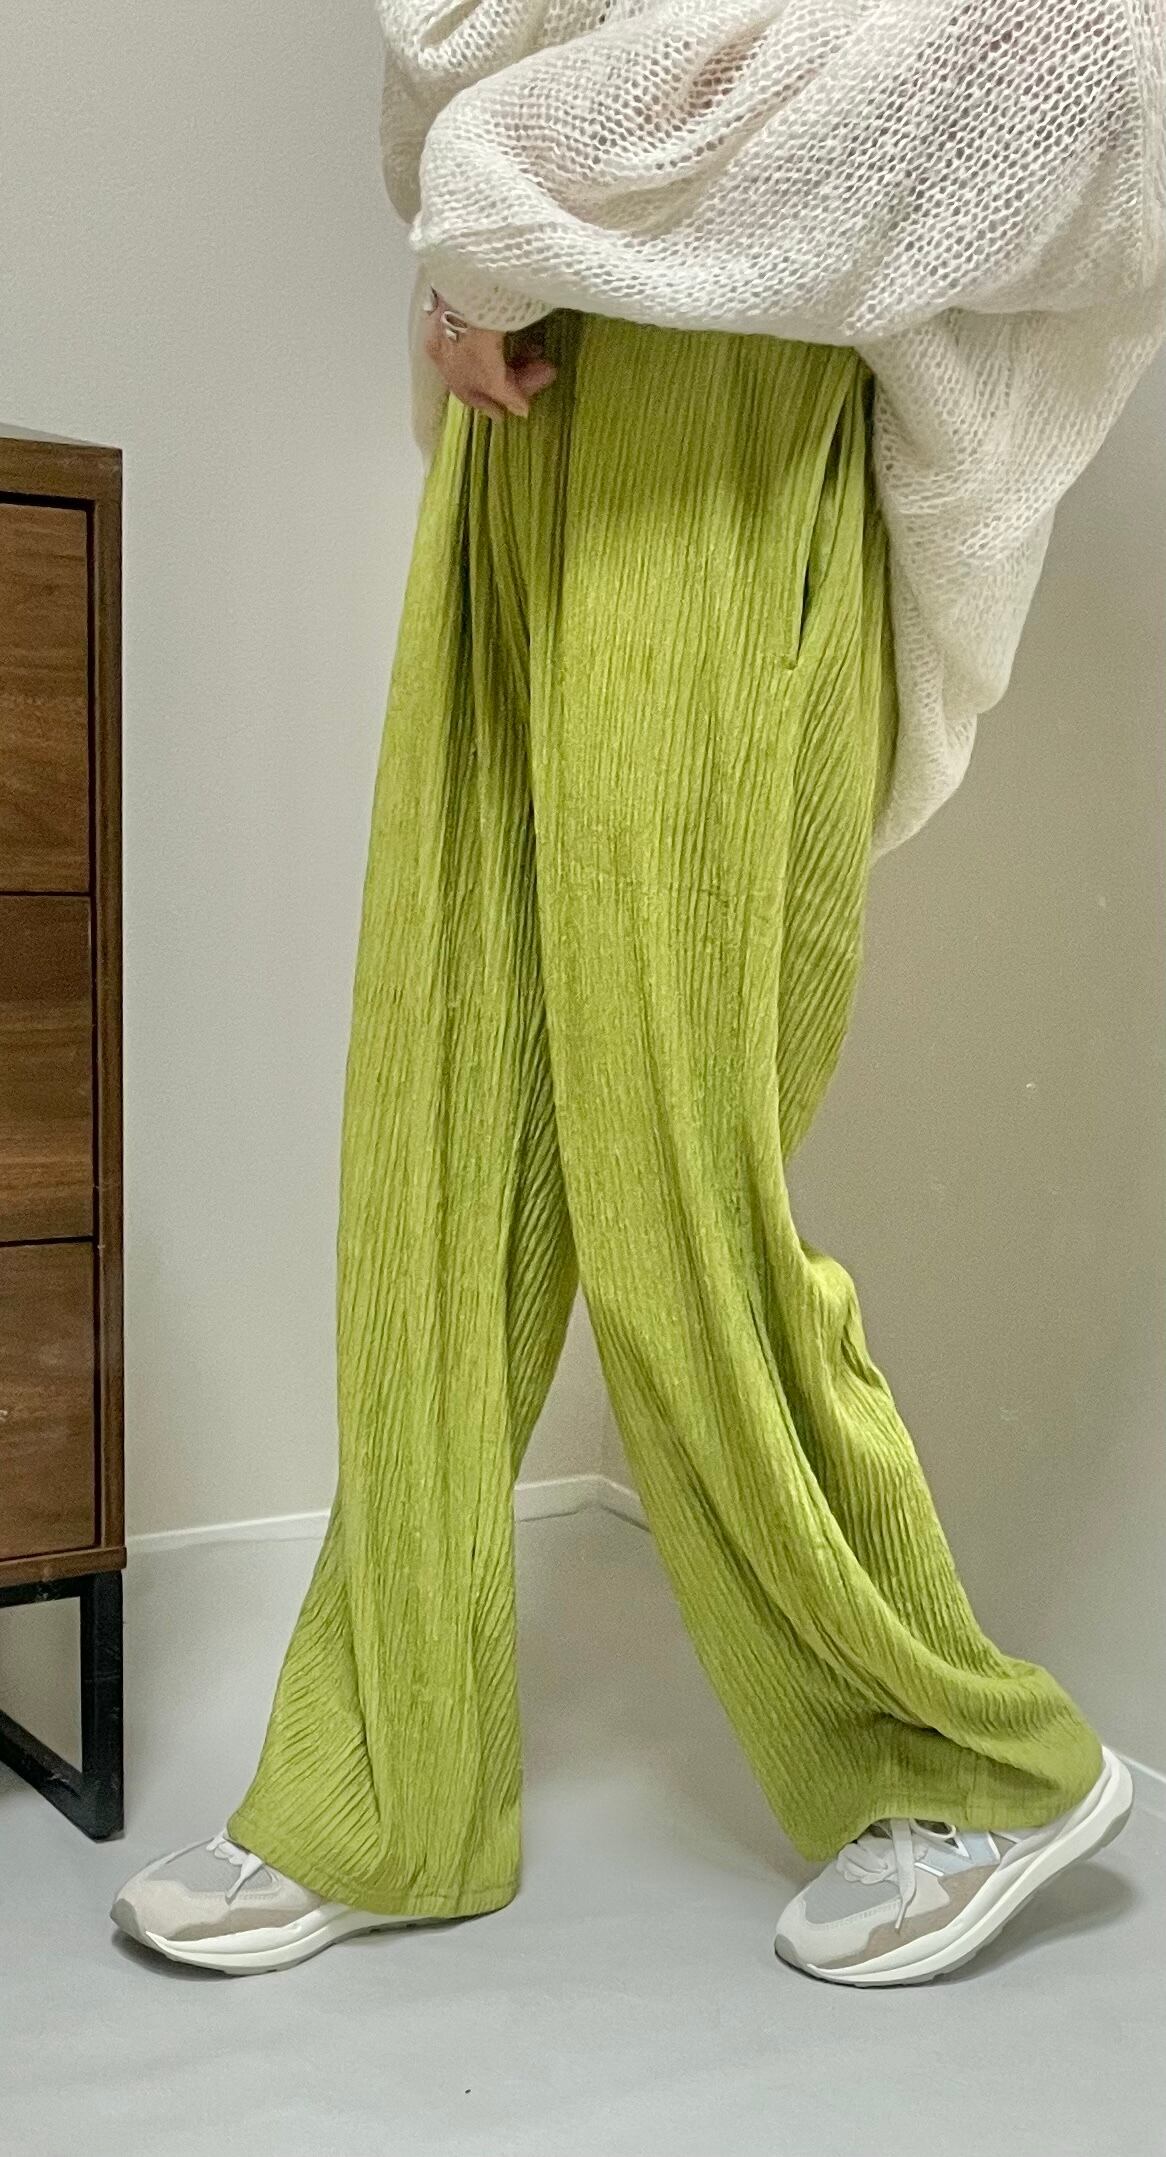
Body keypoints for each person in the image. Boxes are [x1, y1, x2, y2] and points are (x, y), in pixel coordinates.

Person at [113, 0, 1163, 1986]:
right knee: (440, 1122)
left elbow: (1078, 65)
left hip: (734, 382)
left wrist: (522, 184)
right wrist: (473, 252)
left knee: (664, 1142)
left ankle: (961, 1753)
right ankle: (384, 1784)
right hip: (528, 387)